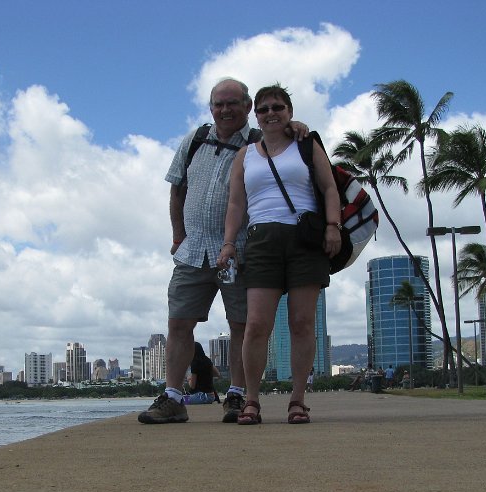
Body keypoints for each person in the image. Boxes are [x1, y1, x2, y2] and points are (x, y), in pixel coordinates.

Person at [139, 78, 307, 424]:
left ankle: (237, 395)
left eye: (233, 103)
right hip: (194, 250)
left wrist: (295, 127)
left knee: (242, 325)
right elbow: (177, 191)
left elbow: (292, 150)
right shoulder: (195, 140)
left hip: (242, 250)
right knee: (178, 323)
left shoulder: (262, 143)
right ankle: (172, 397)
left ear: (248, 107)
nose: (225, 109)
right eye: (219, 103)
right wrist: (177, 235)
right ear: (211, 107)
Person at [217, 84, 341, 425]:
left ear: (289, 111)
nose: (271, 113)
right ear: (256, 116)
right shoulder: (246, 155)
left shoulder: (306, 144)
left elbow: (329, 187)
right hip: (261, 241)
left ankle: (298, 399)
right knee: (256, 325)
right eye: (264, 109)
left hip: (304, 239)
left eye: (278, 107)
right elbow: (236, 203)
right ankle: (251, 400)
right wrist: (229, 243)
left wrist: (334, 226)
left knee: (302, 323)